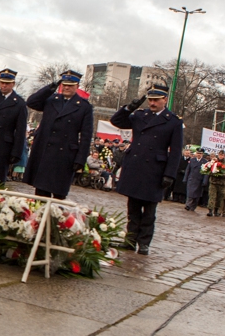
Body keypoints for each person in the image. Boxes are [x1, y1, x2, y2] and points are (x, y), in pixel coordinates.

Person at [110, 84, 183, 255]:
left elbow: (176, 151)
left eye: (156, 100)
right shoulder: (140, 115)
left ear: (165, 100)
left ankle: (144, 243)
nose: (152, 103)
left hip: (155, 170)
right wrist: (129, 107)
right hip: (136, 165)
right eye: (150, 100)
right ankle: (130, 240)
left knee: (149, 210)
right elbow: (117, 121)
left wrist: (169, 174)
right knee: (133, 207)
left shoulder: (173, 121)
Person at [24, 70, 94, 199]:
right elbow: (31, 102)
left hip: (65, 154)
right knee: (41, 194)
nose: (67, 88)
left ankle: (56, 218)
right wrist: (49, 88)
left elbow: (86, 135)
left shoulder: (84, 107)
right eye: (64, 85)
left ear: (77, 86)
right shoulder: (51, 100)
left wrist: (80, 158)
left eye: (70, 85)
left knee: (59, 195)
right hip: (45, 151)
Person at [207, 150, 225, 217]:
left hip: (222, 183)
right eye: (219, 155)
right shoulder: (214, 162)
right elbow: (208, 170)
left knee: (220, 198)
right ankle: (210, 210)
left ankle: (217, 210)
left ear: (224, 156)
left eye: (222, 155)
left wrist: (222, 174)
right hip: (213, 182)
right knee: (212, 196)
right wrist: (212, 173)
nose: (220, 156)